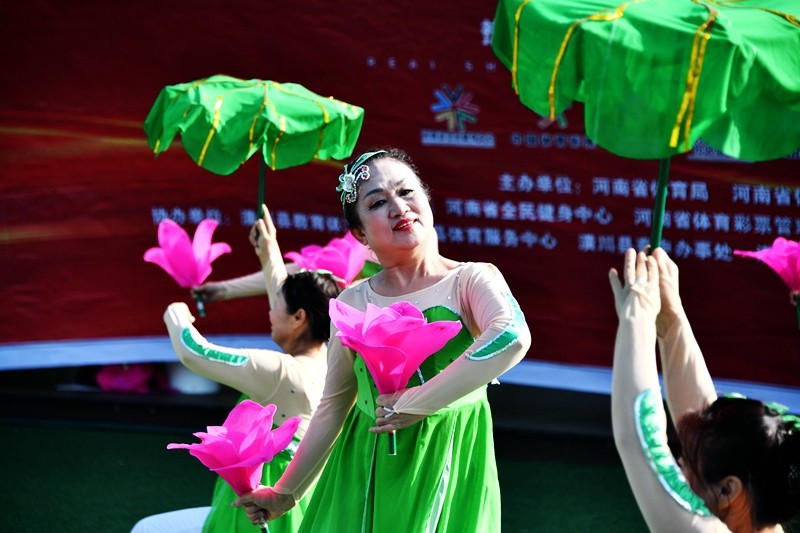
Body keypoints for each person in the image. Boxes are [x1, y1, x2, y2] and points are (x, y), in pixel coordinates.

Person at [232, 148, 532, 532]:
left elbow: (511, 336)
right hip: (363, 466)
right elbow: (333, 406)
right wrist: (286, 493)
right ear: (360, 233)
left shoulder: (470, 279)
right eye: (377, 202)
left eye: (406, 192)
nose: (398, 207)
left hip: (447, 458)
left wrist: (418, 402)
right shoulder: (352, 301)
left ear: (426, 199)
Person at [131, 205, 342, 533]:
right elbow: (286, 294)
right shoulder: (332, 361)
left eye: (276, 306)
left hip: (256, 508)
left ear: (299, 318)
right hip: (301, 508)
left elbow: (195, 353)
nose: (270, 312)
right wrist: (268, 250)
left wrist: (176, 314)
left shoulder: (280, 372)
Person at [609, 247, 800, 533]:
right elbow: (704, 412)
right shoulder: (763, 520)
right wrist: (671, 320)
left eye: (688, 465)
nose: (679, 465)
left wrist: (637, 315)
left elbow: (638, 439)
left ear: (728, 490)